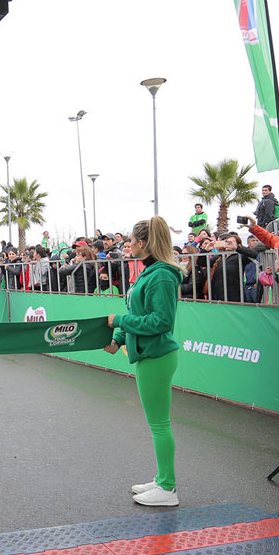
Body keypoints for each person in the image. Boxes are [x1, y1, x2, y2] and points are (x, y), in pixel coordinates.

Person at [105, 216, 183, 507]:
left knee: (159, 424)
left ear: (143, 243)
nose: (128, 246)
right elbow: (138, 314)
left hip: (157, 355)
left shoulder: (161, 275)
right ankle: (163, 479)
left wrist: (120, 321)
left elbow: (160, 321)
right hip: (150, 354)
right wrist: (118, 339)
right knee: (158, 424)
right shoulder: (151, 271)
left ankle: (167, 489)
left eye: (131, 241)